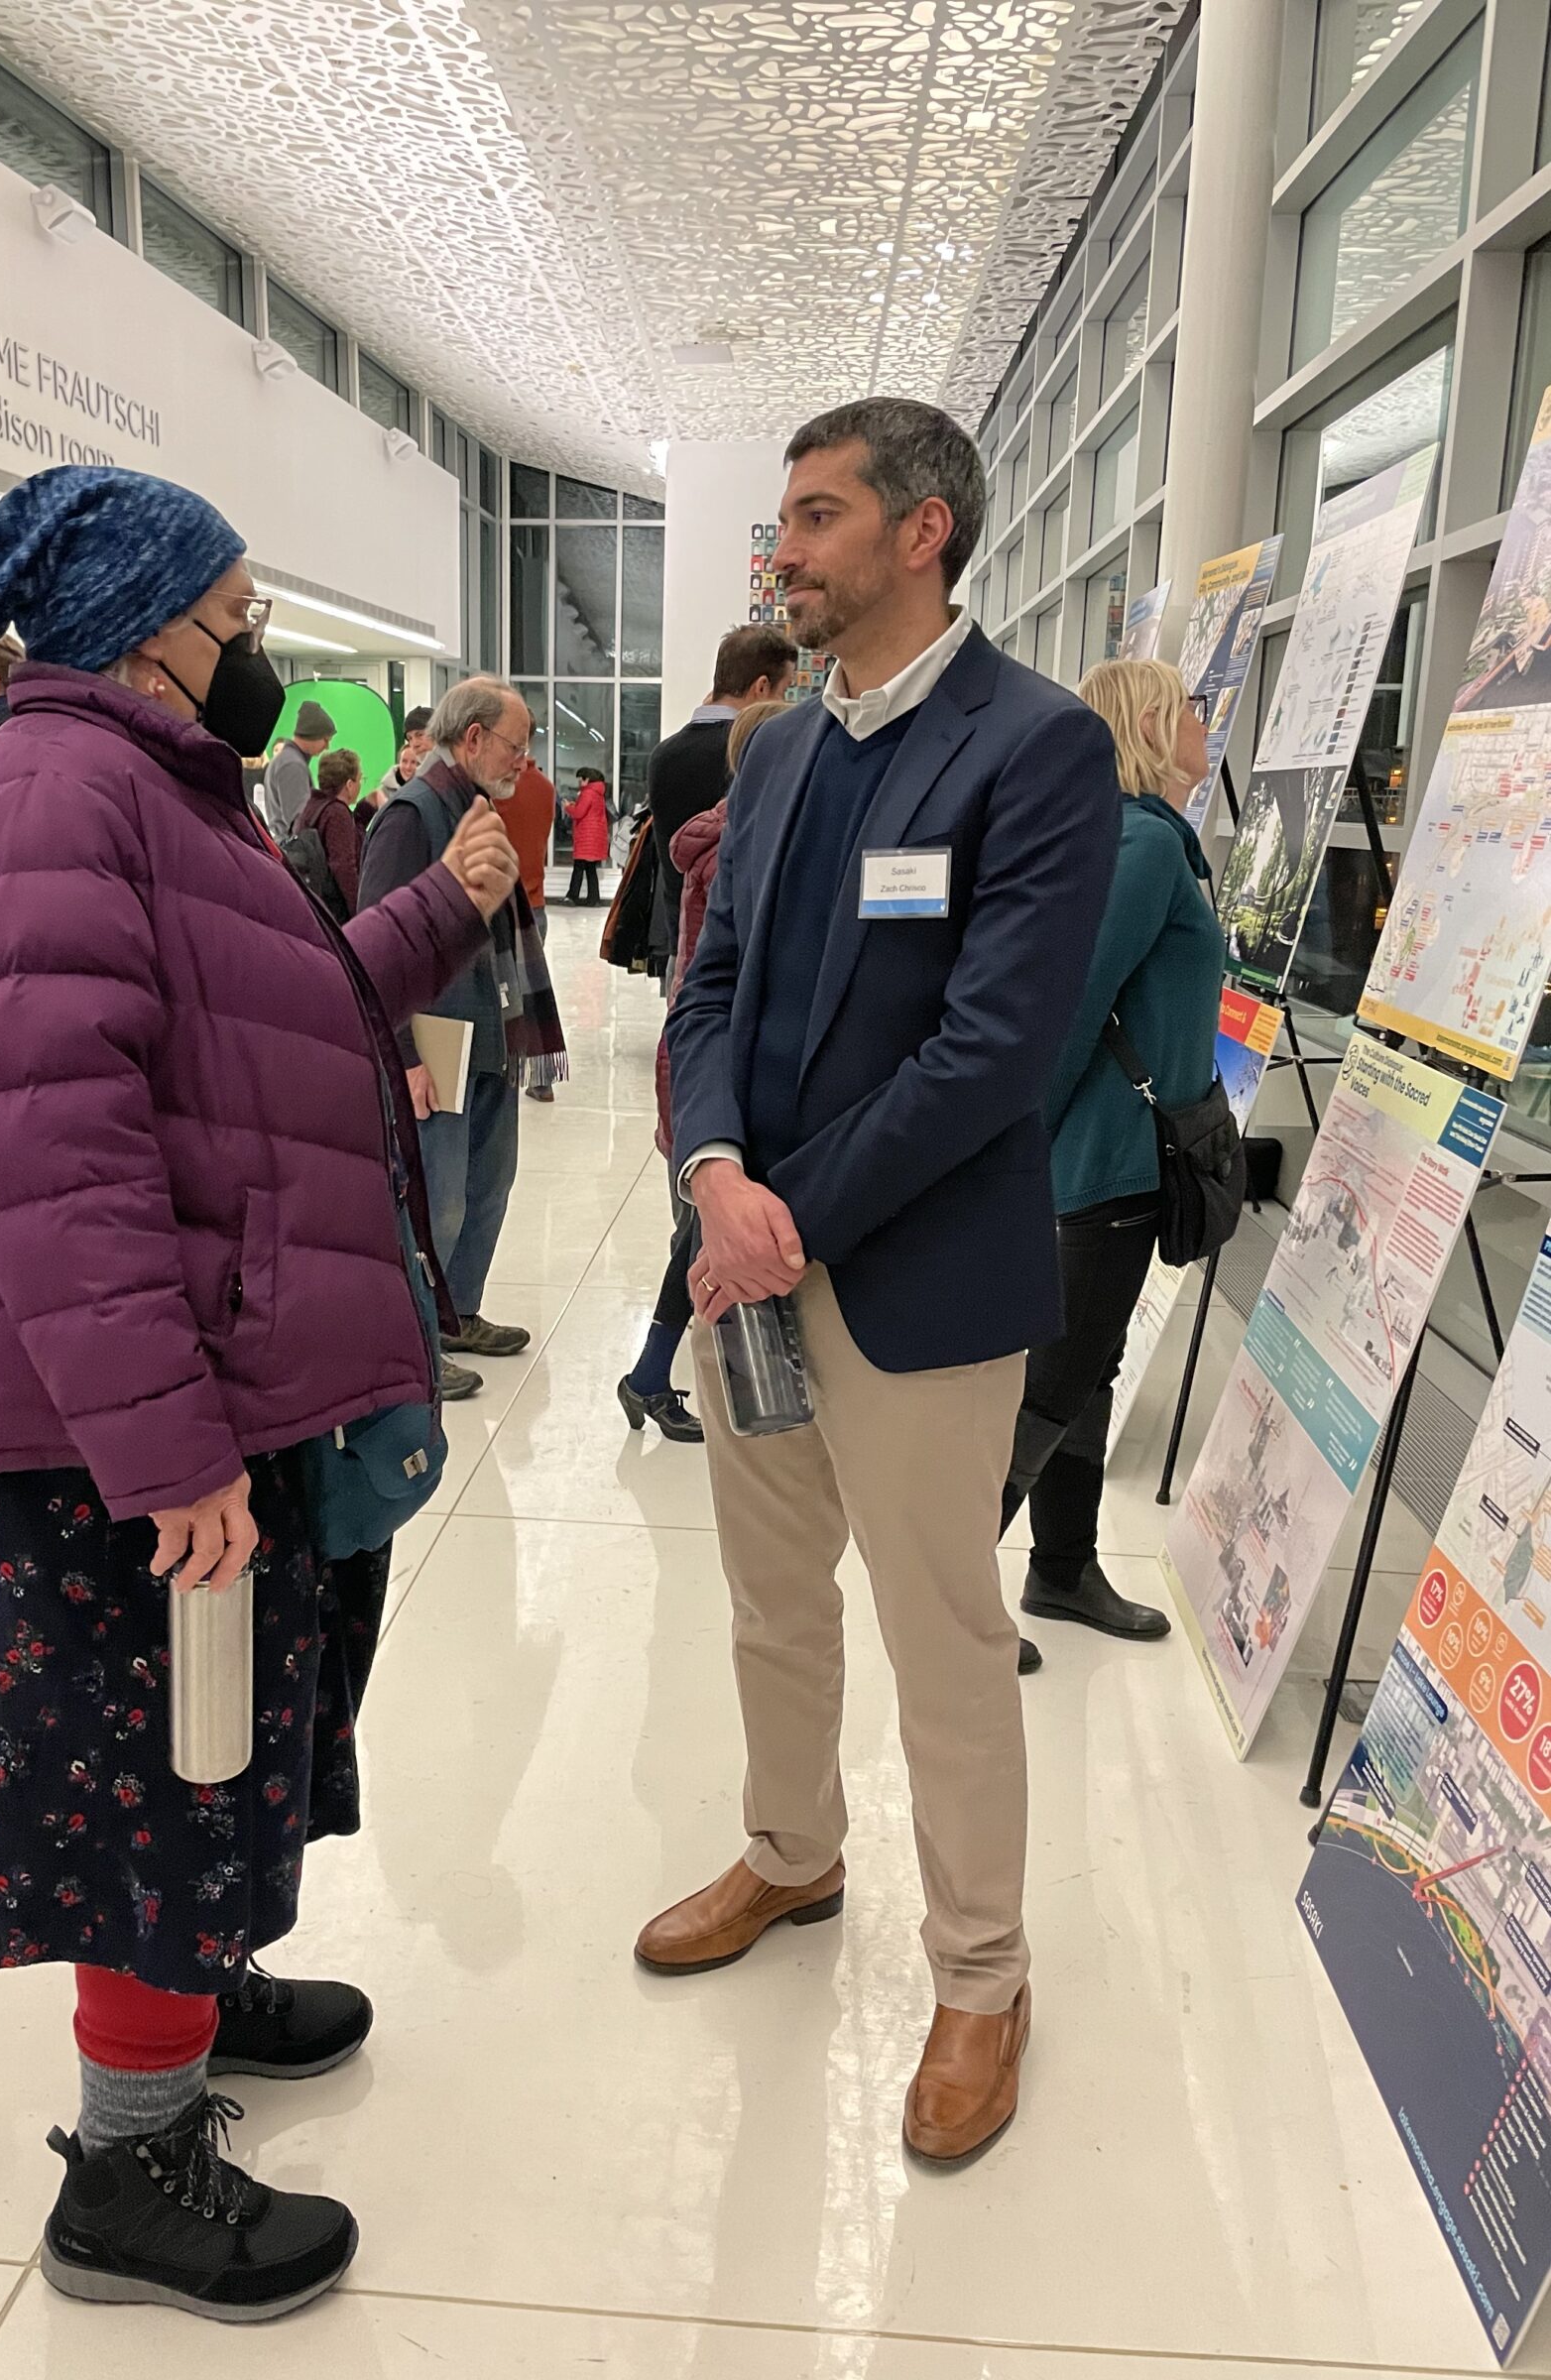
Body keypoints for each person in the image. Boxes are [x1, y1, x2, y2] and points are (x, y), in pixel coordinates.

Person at [0, 461, 520, 2325]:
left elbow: (272, 1019)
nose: (260, 652)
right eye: (235, 617)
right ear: (142, 621)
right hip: (118, 1431)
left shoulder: (159, 798)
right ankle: (132, 2168)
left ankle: (198, 1985)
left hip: (206, 1388)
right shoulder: (47, 810)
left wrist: (444, 912)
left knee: (208, 1755)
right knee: (141, 1777)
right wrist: (165, 1452)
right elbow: (56, 1175)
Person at [642, 397, 1119, 2167]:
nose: (786, 547)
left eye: (821, 515)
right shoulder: (772, 752)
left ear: (925, 534)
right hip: (744, 1270)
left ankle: (982, 1979)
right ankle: (791, 1856)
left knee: (946, 1644)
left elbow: (994, 1054)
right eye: (785, 515)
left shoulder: (1038, 747)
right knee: (774, 1604)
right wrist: (711, 1179)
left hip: (907, 1286)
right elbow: (710, 993)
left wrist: (789, 1219)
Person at [1004, 658, 1222, 1660]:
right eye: (1186, 705)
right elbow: (1068, 1015)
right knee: (1057, 1378)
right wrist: (1025, 1149)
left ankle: (1061, 1568)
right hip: (1098, 1161)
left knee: (1089, 1369)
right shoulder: (1139, 849)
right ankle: (957, 1592)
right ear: (1144, 723)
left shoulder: (1153, 843)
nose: (1201, 720)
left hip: (1125, 1159)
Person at [356, 678, 564, 1400]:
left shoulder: (477, 809)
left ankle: (458, 1311)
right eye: (517, 743)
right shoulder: (412, 817)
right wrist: (404, 1056)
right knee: (434, 1199)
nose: (524, 759)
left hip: (489, 1027)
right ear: (472, 738)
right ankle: (415, 1339)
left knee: (487, 1183)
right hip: (436, 1035)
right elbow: (374, 943)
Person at [621, 698, 789, 1444]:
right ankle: (657, 1373)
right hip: (713, 1063)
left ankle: (654, 1374)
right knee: (707, 1230)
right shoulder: (740, 849)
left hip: (698, 1056)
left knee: (697, 1228)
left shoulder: (723, 836)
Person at [647, 626, 795, 962]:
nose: (787, 703)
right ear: (761, 687)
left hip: (681, 942)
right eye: (785, 690)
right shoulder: (759, 753)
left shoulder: (663, 755)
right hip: (739, 952)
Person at [497, 748, 558, 1101]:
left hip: (501, 903)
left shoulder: (497, 790)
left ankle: (503, 1072)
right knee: (532, 990)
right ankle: (542, 1076)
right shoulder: (545, 788)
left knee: (502, 996)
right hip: (535, 903)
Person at [294, 745, 364, 914]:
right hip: (334, 909)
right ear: (349, 785)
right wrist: (360, 911)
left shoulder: (314, 804)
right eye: (360, 778)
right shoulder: (338, 814)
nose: (361, 784)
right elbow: (344, 866)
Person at [261, 698, 334, 839]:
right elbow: (300, 822)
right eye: (326, 740)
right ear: (312, 735)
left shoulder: (287, 760)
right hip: (293, 851)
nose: (327, 747)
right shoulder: (292, 765)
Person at [563, 766, 608, 904]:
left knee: (578, 868)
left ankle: (572, 897)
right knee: (590, 869)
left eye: (580, 780)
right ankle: (593, 899)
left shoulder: (587, 793)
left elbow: (579, 813)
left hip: (586, 838)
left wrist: (567, 807)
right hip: (595, 837)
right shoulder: (598, 793)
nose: (579, 783)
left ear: (587, 779)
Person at [375, 705, 433, 799]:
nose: (414, 744)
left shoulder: (455, 771)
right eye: (409, 738)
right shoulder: (419, 781)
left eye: (419, 735)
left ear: (437, 732)